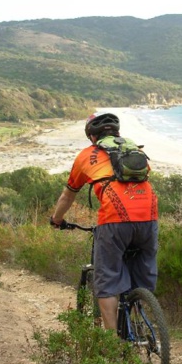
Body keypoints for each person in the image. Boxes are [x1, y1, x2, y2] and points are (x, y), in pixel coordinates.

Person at [50, 112, 159, 331]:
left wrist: (56, 219)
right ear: (117, 133)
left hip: (114, 220)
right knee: (142, 276)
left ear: (92, 136)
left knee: (107, 281)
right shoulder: (135, 150)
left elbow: (68, 195)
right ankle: (139, 326)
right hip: (149, 218)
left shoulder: (86, 156)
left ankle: (112, 343)